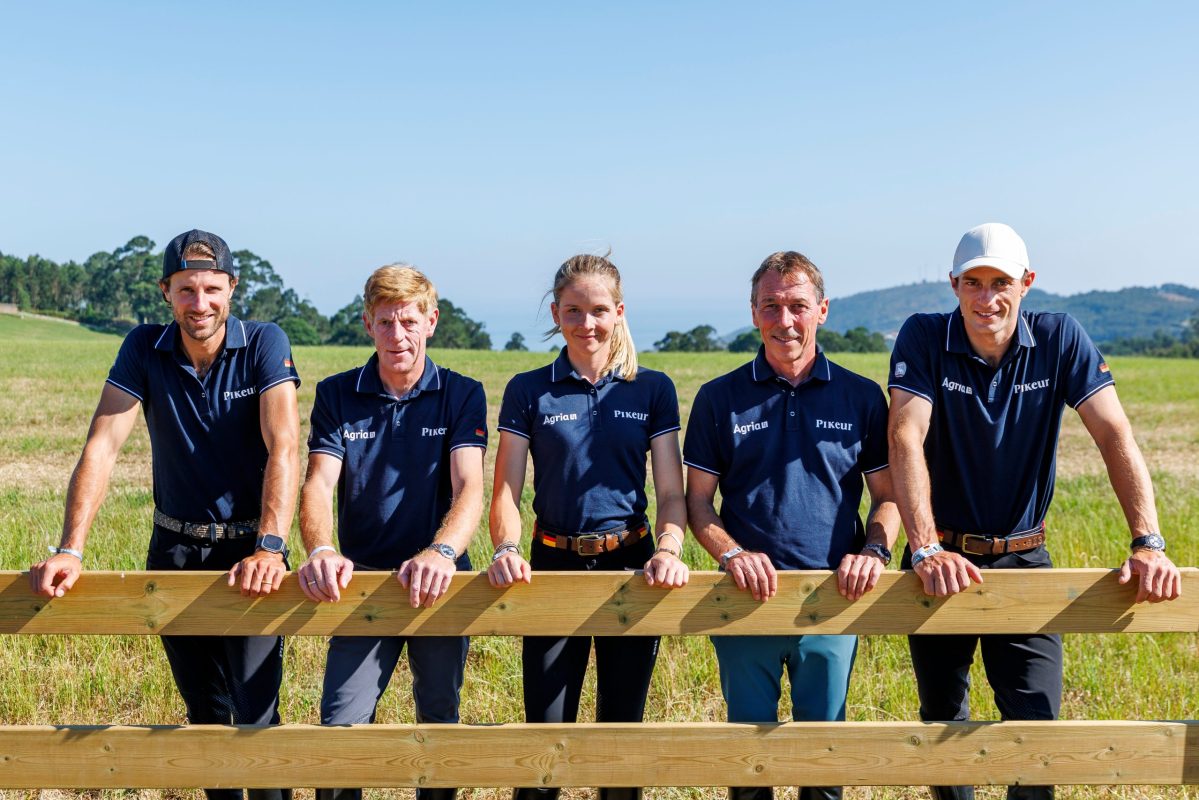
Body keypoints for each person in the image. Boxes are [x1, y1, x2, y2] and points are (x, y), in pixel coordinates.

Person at [888, 222, 1183, 800]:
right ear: (953, 285)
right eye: (973, 283)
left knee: (1038, 729)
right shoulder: (924, 336)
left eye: (1000, 282)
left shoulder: (1058, 338)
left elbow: (1113, 432)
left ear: (1026, 283)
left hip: (1023, 558)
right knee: (942, 721)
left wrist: (1148, 541)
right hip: (940, 558)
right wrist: (924, 547)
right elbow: (905, 434)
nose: (986, 298)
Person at [29, 229, 300, 800]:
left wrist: (271, 546)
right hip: (174, 551)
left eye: (211, 289)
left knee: (256, 713)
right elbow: (103, 445)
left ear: (232, 288)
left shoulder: (263, 342)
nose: (199, 303)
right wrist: (70, 548)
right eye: (186, 290)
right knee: (204, 713)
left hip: (250, 554)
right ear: (166, 292)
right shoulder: (143, 347)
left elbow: (284, 446)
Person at [683, 250, 900, 800]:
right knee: (748, 765)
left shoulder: (861, 396)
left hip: (832, 598)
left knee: (822, 767)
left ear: (822, 310)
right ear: (753, 312)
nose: (785, 321)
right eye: (771, 306)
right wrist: (732, 554)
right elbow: (698, 504)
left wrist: (873, 552)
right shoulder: (719, 398)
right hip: (743, 601)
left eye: (798, 306)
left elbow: (888, 498)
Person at [487, 253, 689, 800]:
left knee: (620, 744)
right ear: (555, 313)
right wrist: (506, 547)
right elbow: (505, 491)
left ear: (619, 312)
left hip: (632, 567)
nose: (586, 323)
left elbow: (671, 493)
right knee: (546, 745)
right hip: (550, 567)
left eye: (599, 310)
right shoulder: (529, 389)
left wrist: (669, 548)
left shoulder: (652, 389)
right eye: (573, 311)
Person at [297, 264, 487, 800]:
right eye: (385, 322)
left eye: (408, 322)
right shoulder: (337, 394)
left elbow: (470, 484)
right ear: (367, 324)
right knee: (341, 730)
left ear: (431, 321)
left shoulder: (461, 393)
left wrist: (442, 552)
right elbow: (319, 481)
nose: (397, 335)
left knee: (438, 724)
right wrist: (321, 549)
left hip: (440, 582)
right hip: (361, 585)